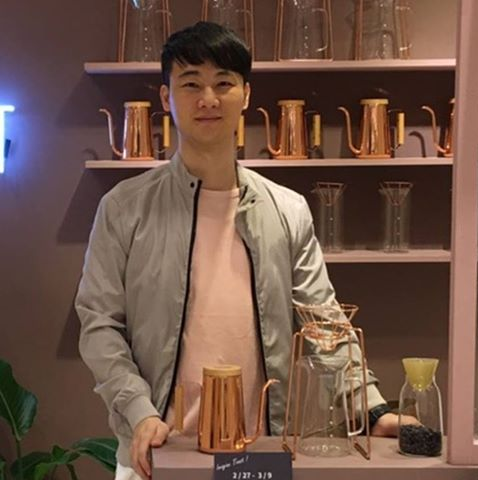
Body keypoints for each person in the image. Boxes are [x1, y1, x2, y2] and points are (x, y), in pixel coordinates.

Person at [76, 21, 400, 480]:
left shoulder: (288, 209)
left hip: (261, 453)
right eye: (191, 84)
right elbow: (99, 324)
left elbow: (323, 321)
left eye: (224, 83)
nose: (208, 99)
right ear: (166, 97)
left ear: (246, 95)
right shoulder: (124, 207)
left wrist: (371, 408)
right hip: (158, 452)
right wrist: (138, 411)